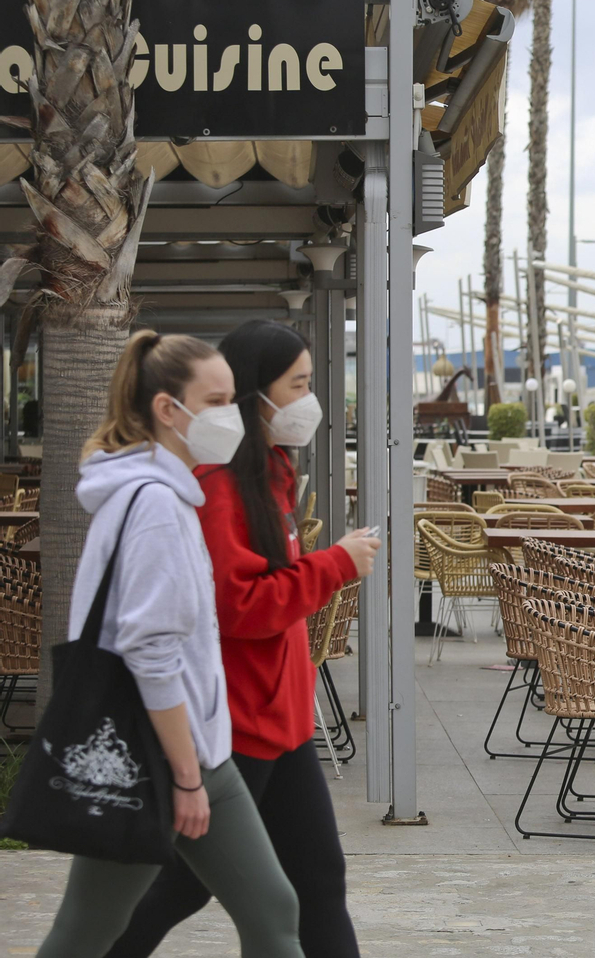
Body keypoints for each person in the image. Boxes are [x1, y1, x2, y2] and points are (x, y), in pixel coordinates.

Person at [106, 320, 380, 958]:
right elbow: (243, 607)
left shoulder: (268, 473)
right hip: (236, 723)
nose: (310, 401)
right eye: (299, 386)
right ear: (258, 395)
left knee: (315, 883)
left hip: (281, 721)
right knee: (181, 888)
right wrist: (335, 564)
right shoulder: (219, 487)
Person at [35, 331, 303, 958]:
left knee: (272, 909)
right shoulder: (154, 504)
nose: (230, 416)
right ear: (167, 409)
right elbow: (150, 651)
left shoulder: (164, 494)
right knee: (88, 930)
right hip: (160, 756)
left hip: (195, 749)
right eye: (215, 402)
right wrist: (185, 778)